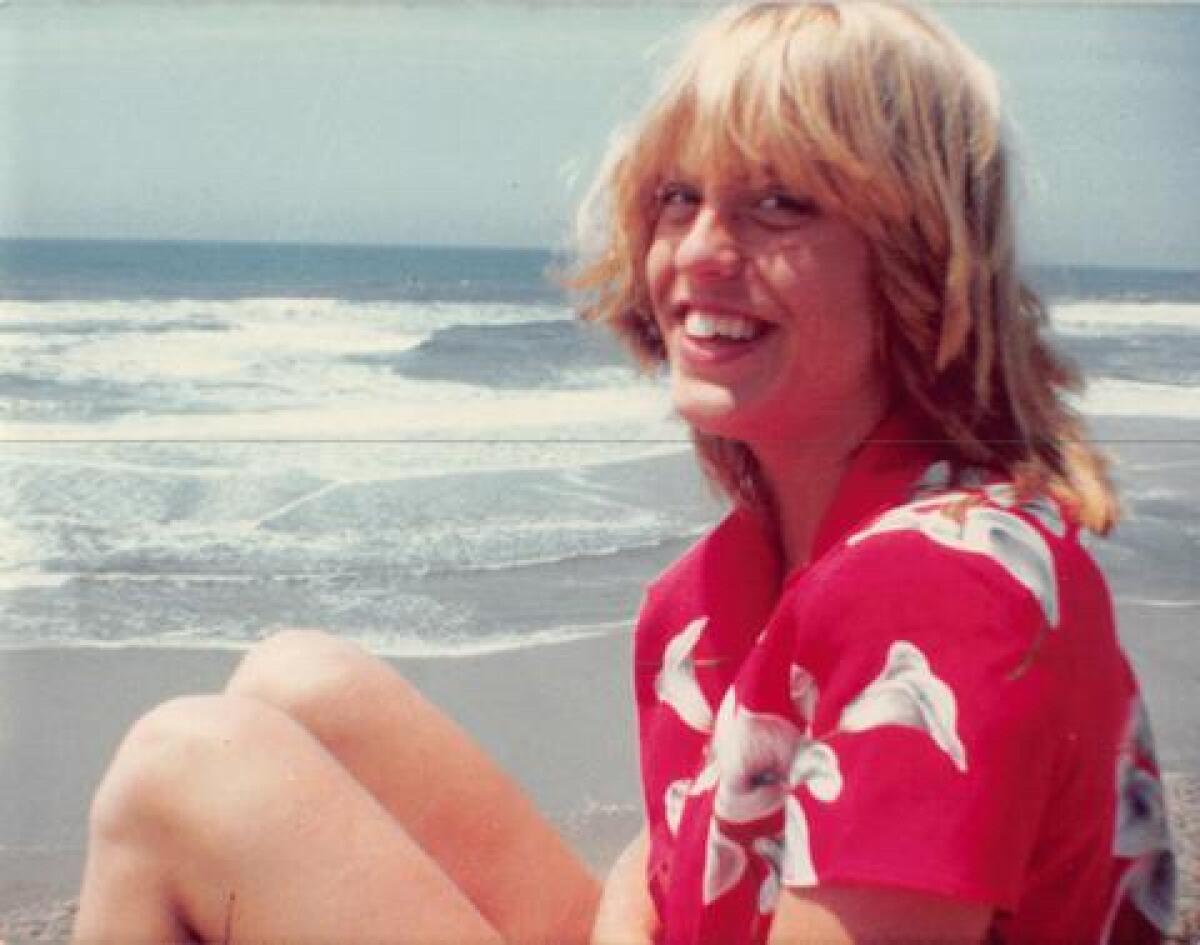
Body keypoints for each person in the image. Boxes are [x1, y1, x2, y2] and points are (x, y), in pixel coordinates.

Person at [73, 2, 1175, 944]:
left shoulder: (942, 591)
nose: (699, 251)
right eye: (678, 198)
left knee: (189, 766)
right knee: (298, 680)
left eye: (780, 203)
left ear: (918, 259)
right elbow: (671, 869)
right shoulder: (726, 593)